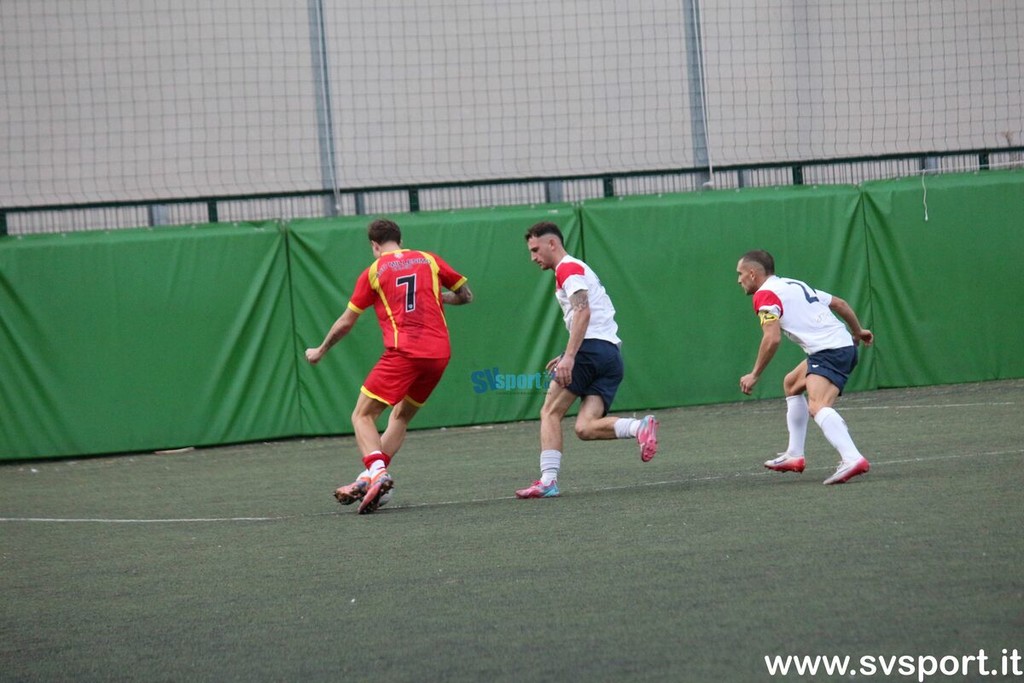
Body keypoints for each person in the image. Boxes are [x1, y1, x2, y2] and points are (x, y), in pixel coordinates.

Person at [306, 218, 473, 513]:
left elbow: (346, 322)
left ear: (374, 245)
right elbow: (466, 296)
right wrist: (439, 297)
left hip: (404, 353)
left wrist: (320, 350)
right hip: (439, 355)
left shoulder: (374, 272)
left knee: (362, 415)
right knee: (401, 416)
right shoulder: (428, 259)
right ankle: (366, 478)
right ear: (400, 239)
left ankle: (378, 473)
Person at [515, 221, 659, 499]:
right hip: (609, 354)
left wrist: (570, 357)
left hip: (590, 351)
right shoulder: (575, 269)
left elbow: (583, 312)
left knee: (549, 412)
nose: (533, 257)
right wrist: (568, 353)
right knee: (585, 427)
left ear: (552, 244)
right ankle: (638, 427)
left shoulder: (567, 268)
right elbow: (589, 318)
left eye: (535, 250)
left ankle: (548, 481)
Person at [736, 250, 873, 485]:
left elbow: (772, 338)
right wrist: (857, 331)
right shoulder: (792, 284)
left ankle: (852, 458)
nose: (739, 280)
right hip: (837, 346)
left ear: (752, 273)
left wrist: (755, 374)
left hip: (830, 351)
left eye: (740, 274)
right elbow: (839, 303)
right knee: (791, 384)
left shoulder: (765, 295)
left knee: (818, 406)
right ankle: (794, 455)